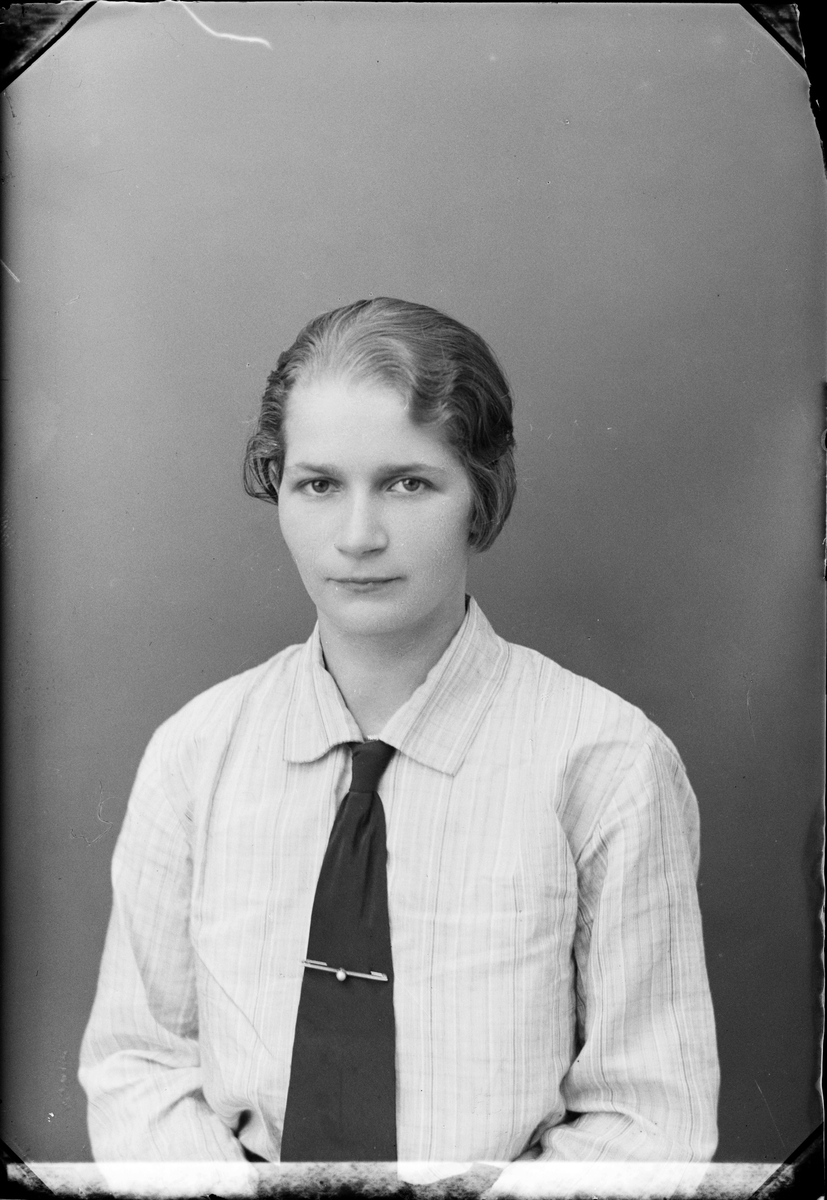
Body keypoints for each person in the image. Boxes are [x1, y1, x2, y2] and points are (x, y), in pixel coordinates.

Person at [79, 298, 719, 1190]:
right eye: (318, 485)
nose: (357, 536)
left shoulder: (606, 763)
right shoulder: (194, 753)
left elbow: (649, 1117)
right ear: (277, 490)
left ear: (480, 496)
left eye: (408, 483)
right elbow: (138, 1066)